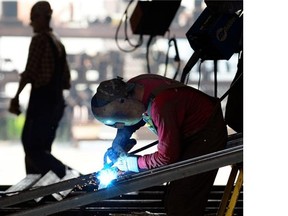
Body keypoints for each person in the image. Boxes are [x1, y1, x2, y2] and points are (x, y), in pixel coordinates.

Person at [91, 74, 228, 216]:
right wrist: (119, 141)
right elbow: (132, 115)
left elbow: (166, 158)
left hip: (206, 134)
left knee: (182, 201)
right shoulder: (134, 87)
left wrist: (130, 163)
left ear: (122, 101)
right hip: (189, 131)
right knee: (172, 197)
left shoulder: (161, 104)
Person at [8, 1, 75, 179]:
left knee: (31, 146)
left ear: (42, 18)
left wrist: (15, 98)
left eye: (33, 19)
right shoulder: (57, 42)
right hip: (56, 103)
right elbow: (66, 80)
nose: (31, 23)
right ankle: (40, 187)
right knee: (42, 148)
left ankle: (66, 176)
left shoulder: (39, 40)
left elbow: (29, 72)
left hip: (42, 102)